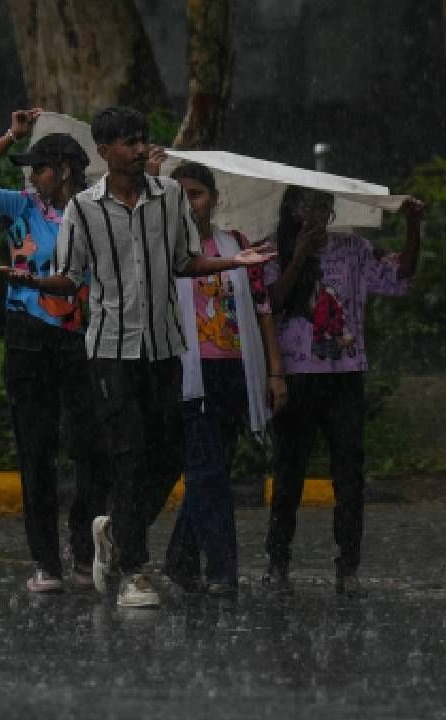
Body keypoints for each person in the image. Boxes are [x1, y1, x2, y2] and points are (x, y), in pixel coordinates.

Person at [15, 106, 275, 608]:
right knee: (129, 452)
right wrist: (34, 282)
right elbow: (70, 278)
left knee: (171, 453)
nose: (140, 150)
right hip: (112, 351)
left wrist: (232, 261)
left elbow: (184, 261)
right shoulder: (84, 210)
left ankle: (115, 527)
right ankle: (135, 571)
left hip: (164, 347)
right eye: (129, 143)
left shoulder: (170, 196)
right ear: (105, 151)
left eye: (143, 141)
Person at [0, 108, 108, 594]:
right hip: (26, 338)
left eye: (39, 167)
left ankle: (83, 550)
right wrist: (10, 135)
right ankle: (46, 562)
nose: (32, 176)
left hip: (81, 341)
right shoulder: (21, 207)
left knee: (91, 450)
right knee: (36, 452)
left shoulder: (95, 212)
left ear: (63, 169)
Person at [261, 187, 424, 596]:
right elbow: (271, 301)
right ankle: (278, 561)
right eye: (307, 207)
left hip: (344, 374)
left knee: (349, 473)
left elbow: (400, 275)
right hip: (297, 376)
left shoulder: (352, 249)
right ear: (293, 211)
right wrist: (298, 255)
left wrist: (412, 226)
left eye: (323, 206)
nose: (316, 215)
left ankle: (348, 566)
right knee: (288, 473)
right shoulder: (272, 250)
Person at [160, 162, 289, 597]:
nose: (189, 202)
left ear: (213, 198)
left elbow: (262, 307)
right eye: (180, 193)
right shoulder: (163, 245)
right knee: (207, 469)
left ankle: (180, 557)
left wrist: (275, 370)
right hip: (188, 373)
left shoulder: (235, 244)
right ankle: (222, 569)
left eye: (196, 193)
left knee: (213, 469)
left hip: (235, 370)